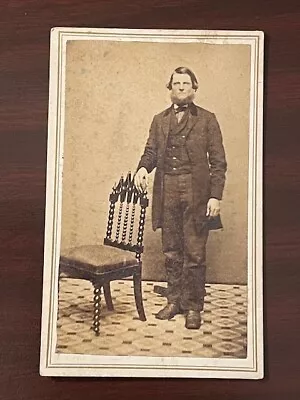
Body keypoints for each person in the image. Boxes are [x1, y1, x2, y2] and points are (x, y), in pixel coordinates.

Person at [134, 67, 227, 329]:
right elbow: (150, 151)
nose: (182, 87)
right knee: (172, 249)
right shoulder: (159, 120)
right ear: (170, 88)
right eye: (177, 83)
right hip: (167, 189)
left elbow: (218, 163)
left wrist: (214, 196)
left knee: (195, 252)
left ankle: (194, 307)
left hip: (196, 192)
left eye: (186, 83)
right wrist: (143, 167)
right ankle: (174, 300)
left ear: (194, 88)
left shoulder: (208, 120)